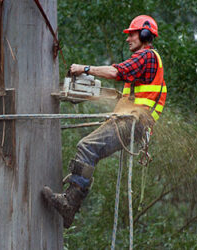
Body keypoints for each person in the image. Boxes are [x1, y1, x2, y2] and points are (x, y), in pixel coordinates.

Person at [42, 15, 167, 228]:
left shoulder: (146, 56)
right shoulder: (147, 62)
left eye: (132, 34)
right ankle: (70, 202)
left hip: (133, 122)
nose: (128, 39)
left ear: (145, 34)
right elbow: (130, 94)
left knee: (87, 147)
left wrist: (85, 68)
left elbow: (115, 71)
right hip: (131, 122)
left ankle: (69, 203)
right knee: (89, 148)